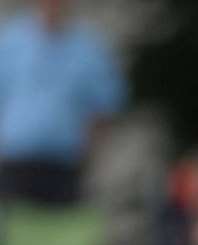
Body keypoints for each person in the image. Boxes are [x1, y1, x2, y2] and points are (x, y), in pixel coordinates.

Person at [0, 0, 126, 204]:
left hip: (65, 167)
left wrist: (89, 153)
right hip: (15, 164)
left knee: (61, 232)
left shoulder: (89, 49)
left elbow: (105, 107)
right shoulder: (10, 43)